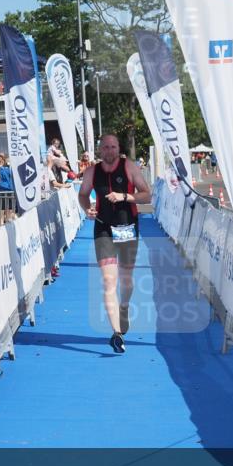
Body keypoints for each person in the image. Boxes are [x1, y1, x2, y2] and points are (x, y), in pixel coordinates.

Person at [78, 134, 152, 354]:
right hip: (103, 228)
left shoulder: (129, 168)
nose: (109, 151)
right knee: (109, 280)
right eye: (105, 147)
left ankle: (124, 307)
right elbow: (83, 194)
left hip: (127, 227)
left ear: (118, 148)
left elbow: (147, 195)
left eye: (112, 147)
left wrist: (124, 197)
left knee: (126, 281)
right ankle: (117, 334)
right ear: (100, 150)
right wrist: (87, 208)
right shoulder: (92, 171)